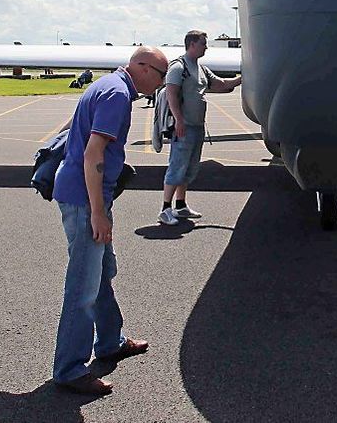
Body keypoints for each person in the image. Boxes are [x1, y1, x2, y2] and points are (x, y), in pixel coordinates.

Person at [51, 45, 169, 395]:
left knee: (101, 272)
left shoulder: (106, 86)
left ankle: (110, 341)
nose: (161, 85)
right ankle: (70, 369)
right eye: (161, 77)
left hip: (82, 194)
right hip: (86, 200)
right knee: (83, 286)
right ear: (144, 68)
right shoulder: (117, 95)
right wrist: (99, 212)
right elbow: (93, 154)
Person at [157, 31, 242, 226]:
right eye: (203, 43)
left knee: (190, 166)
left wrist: (242, 79)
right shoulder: (179, 67)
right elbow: (171, 93)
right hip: (184, 126)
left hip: (196, 127)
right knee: (177, 165)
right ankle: (165, 209)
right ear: (192, 44)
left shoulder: (201, 68)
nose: (206, 47)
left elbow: (220, 84)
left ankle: (180, 205)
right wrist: (178, 120)